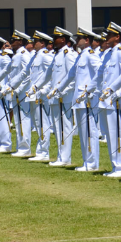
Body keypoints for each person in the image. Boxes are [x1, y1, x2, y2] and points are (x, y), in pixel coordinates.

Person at [52, 27, 103, 171]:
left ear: (87, 41)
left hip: (87, 98)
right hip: (79, 99)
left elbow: (100, 72)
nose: (76, 41)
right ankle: (87, 161)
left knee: (90, 132)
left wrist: (90, 89)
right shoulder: (81, 55)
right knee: (83, 132)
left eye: (80, 38)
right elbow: (70, 75)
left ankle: (92, 163)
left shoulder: (91, 54)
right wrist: (59, 88)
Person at [97, 23, 121, 178]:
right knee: (110, 134)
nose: (106, 38)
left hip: (117, 100)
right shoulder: (109, 54)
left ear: (117, 37)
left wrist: (118, 92)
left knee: (118, 133)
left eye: (109, 35)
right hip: (107, 100)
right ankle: (115, 165)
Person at [41, 27, 78, 167]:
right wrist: (37, 87)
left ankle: (65, 158)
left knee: (64, 127)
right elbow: (49, 75)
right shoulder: (57, 55)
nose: (53, 41)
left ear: (63, 39)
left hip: (64, 97)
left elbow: (72, 76)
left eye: (56, 38)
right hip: (55, 97)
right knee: (57, 127)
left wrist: (64, 91)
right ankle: (60, 156)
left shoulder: (69, 54)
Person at [0, 31, 33, 156]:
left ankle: (25, 149)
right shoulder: (16, 55)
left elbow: (28, 75)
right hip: (15, 91)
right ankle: (21, 147)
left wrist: (18, 89)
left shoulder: (24, 55)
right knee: (18, 120)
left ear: (20, 41)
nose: (11, 43)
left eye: (13, 40)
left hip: (21, 92)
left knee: (23, 119)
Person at [26, 32, 55, 161]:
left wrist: (44, 90)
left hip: (40, 95)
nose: (33, 43)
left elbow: (51, 74)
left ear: (42, 43)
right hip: (34, 94)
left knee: (43, 123)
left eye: (36, 41)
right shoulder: (35, 56)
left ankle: (44, 152)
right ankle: (40, 150)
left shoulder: (45, 56)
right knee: (37, 123)